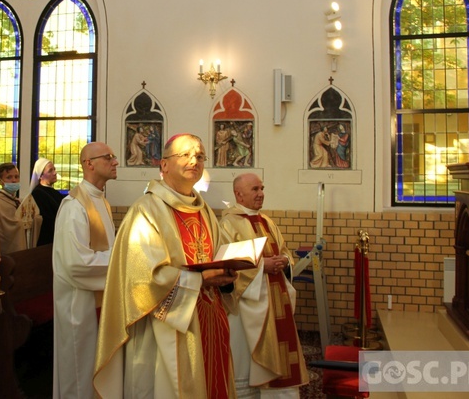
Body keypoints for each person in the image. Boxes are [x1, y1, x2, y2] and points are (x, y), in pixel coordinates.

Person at [94, 133, 237, 399]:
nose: (194, 160)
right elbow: (142, 279)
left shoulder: (203, 210)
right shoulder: (146, 210)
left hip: (209, 318)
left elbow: (217, 254)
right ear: (164, 165)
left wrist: (227, 272)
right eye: (184, 154)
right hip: (164, 329)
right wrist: (199, 280)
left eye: (200, 155)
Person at [219, 173, 308, 398]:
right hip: (248, 309)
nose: (261, 194)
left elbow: (285, 250)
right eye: (255, 189)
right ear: (238, 194)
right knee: (246, 362)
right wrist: (261, 267)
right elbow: (226, 263)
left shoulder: (266, 221)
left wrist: (285, 261)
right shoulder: (228, 224)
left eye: (262, 188)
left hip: (276, 298)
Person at [52, 142, 118, 398]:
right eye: (108, 157)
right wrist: (122, 259)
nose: (115, 162)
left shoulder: (101, 201)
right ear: (88, 164)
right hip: (79, 306)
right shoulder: (74, 206)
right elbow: (76, 263)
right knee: (79, 376)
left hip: (97, 302)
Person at [17, 157, 64, 248]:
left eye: (54, 169)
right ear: (40, 176)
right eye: (50, 171)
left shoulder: (54, 192)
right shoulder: (38, 194)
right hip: (47, 241)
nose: (55, 173)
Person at [0, 162, 25, 255]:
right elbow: (4, 229)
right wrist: (23, 222)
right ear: (0, 181)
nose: (14, 180)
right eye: (9, 177)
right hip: (6, 251)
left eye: (16, 177)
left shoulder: (18, 201)